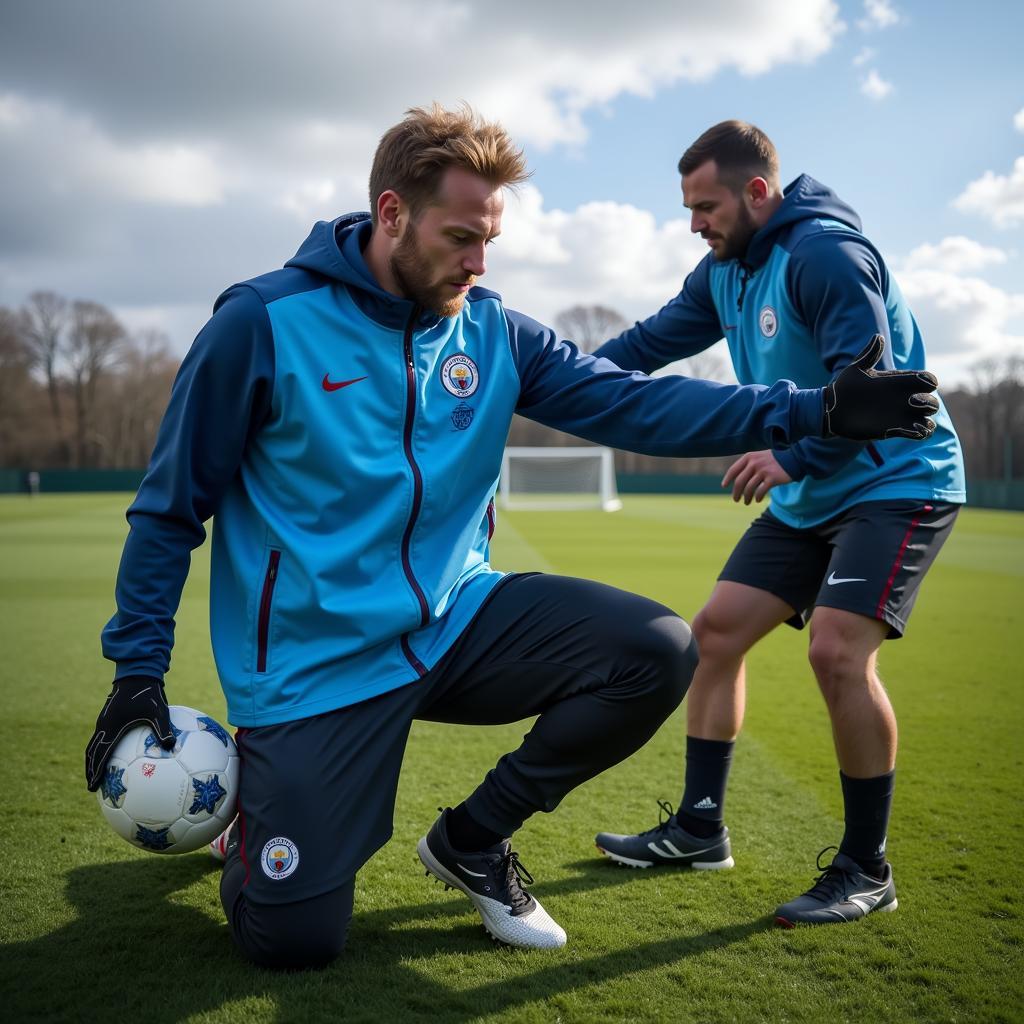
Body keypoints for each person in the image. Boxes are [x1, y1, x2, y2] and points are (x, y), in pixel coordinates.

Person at [84, 105, 939, 968]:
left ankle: (474, 839)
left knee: (657, 650)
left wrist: (811, 409)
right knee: (294, 942)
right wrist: (137, 670)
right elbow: (167, 508)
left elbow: (634, 402)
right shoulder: (261, 323)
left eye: (489, 239)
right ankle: (255, 831)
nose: (478, 262)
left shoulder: (494, 330)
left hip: (458, 619)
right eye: (460, 236)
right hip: (318, 663)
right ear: (391, 214)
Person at [592, 120, 964, 927]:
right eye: (689, 208)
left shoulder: (827, 257)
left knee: (835, 649)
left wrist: (792, 458)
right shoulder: (723, 271)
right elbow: (648, 344)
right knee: (715, 634)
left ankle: (868, 870)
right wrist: (547, 375)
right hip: (811, 492)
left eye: (706, 205)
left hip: (897, 478)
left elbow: (877, 394)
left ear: (758, 193)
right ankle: (699, 828)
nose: (695, 223)